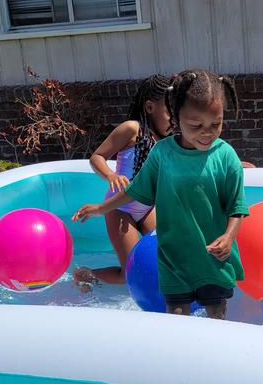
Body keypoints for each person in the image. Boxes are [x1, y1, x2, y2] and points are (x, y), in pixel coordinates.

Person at [73, 70, 248, 319]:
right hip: (172, 258)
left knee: (216, 314)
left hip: (211, 259)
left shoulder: (226, 155)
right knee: (171, 313)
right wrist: (100, 208)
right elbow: (136, 191)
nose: (207, 132)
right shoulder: (162, 152)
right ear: (176, 116)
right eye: (196, 125)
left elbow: (236, 205)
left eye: (216, 124)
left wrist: (229, 237)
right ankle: (87, 275)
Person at [72, 74, 172, 290]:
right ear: (149, 107)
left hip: (146, 209)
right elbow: (96, 157)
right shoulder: (131, 129)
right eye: (168, 112)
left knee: (169, 257)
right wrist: (111, 175)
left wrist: (234, 164)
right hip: (120, 208)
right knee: (130, 274)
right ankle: (85, 275)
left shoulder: (169, 141)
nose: (173, 119)